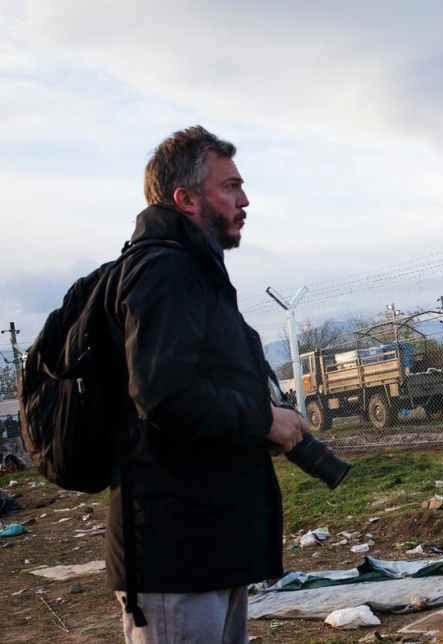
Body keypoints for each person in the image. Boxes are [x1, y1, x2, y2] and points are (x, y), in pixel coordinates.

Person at [104, 125, 306, 642]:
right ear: (186, 199)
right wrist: (264, 420)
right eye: (230, 187)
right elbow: (164, 393)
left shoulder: (196, 270)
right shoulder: (166, 270)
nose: (245, 200)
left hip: (210, 546)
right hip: (177, 554)